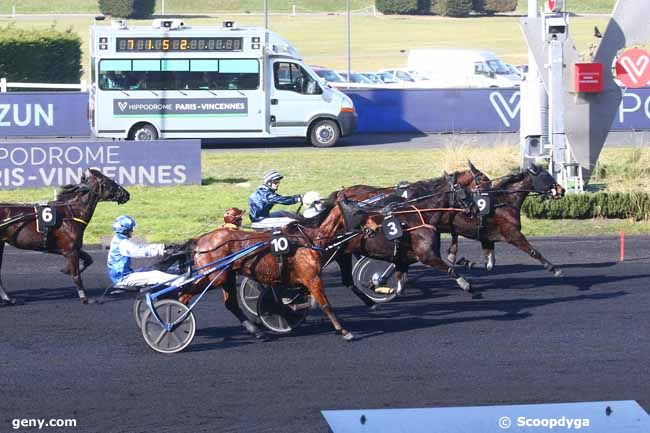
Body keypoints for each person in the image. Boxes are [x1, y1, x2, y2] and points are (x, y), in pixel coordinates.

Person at [107, 215, 189, 288]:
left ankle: (179, 276)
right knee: (156, 275)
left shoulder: (119, 239)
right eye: (131, 229)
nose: (132, 231)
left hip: (126, 274)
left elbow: (142, 247)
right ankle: (183, 282)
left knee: (156, 268)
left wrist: (163, 246)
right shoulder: (123, 243)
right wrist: (163, 252)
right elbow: (142, 252)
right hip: (123, 278)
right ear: (124, 230)